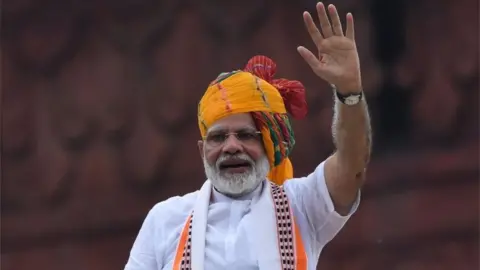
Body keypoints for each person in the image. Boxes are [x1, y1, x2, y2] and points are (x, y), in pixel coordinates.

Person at [124, 2, 371, 270]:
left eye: (245, 135)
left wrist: (349, 92)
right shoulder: (166, 219)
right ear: (201, 150)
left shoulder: (302, 205)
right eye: (218, 137)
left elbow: (352, 163)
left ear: (269, 144)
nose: (231, 146)